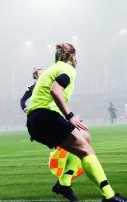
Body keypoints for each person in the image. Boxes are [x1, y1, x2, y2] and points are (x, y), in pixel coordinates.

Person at [26, 43, 127, 202]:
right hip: (45, 117)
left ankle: (63, 183)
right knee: (85, 150)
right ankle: (109, 196)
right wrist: (70, 116)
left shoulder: (53, 68)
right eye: (76, 55)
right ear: (72, 55)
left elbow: (45, 98)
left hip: (39, 118)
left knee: (85, 137)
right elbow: (55, 91)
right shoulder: (68, 69)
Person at [21, 66, 83, 201]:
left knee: (77, 150)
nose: (43, 75)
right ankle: (63, 183)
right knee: (79, 148)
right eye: (40, 73)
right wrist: (28, 116)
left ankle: (63, 183)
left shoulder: (52, 85)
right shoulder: (34, 88)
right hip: (47, 122)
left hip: (56, 120)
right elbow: (23, 102)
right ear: (35, 76)